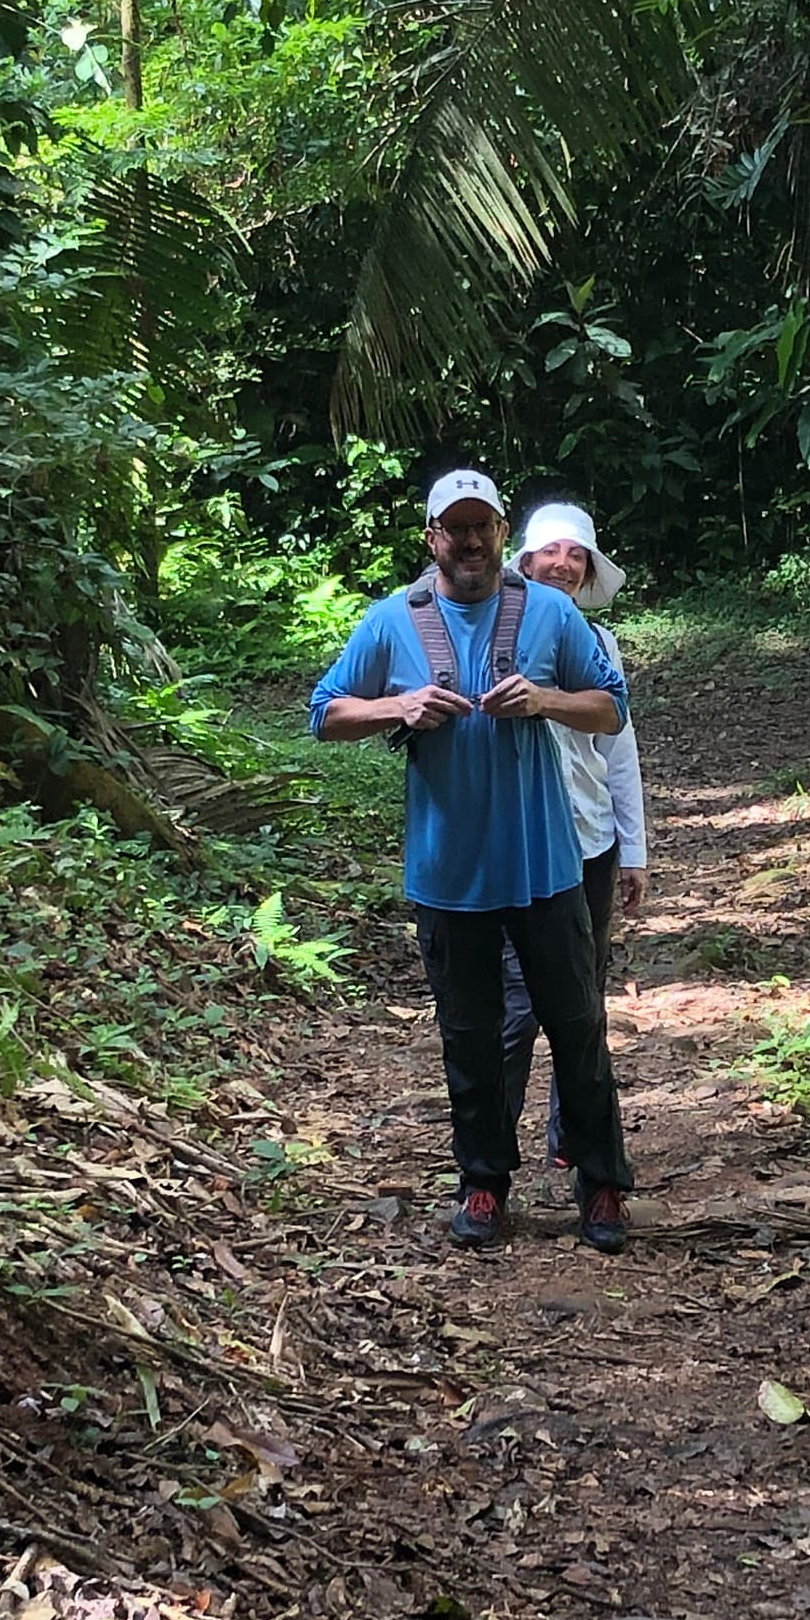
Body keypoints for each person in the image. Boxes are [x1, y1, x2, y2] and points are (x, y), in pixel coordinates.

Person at [308, 468, 634, 1253]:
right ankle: (483, 1184)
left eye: (483, 525)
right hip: (449, 874)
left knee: (578, 1027)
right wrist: (400, 706)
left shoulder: (550, 612)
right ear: (434, 540)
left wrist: (546, 700)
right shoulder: (394, 621)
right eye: (455, 528)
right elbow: (325, 712)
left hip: (546, 865)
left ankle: (602, 1185)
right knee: (470, 1037)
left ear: (498, 533)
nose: (471, 540)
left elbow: (610, 704)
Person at [501, 503, 647, 1163]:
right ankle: (492, 1149)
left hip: (590, 840)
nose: (562, 564)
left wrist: (634, 849)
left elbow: (619, 750)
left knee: (583, 996)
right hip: (514, 844)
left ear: (586, 572)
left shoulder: (600, 645)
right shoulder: (490, 633)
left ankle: (575, 1138)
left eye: (576, 555)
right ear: (525, 561)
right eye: (550, 552)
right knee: (513, 1006)